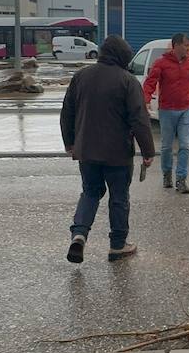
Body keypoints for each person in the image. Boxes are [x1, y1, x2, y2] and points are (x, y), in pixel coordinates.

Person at [60, 35, 155, 263]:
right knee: (119, 197)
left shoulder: (81, 76)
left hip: (86, 150)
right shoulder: (128, 80)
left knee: (90, 192)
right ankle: (117, 245)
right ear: (123, 56)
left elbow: (67, 112)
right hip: (118, 153)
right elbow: (139, 119)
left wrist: (70, 142)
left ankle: (79, 234)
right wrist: (148, 151)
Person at [142, 32, 189, 194]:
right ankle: (167, 174)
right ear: (176, 45)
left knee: (185, 145)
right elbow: (150, 82)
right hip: (167, 110)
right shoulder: (161, 63)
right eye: (186, 45)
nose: (188, 49)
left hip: (186, 110)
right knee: (166, 146)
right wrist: (146, 100)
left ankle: (181, 179)